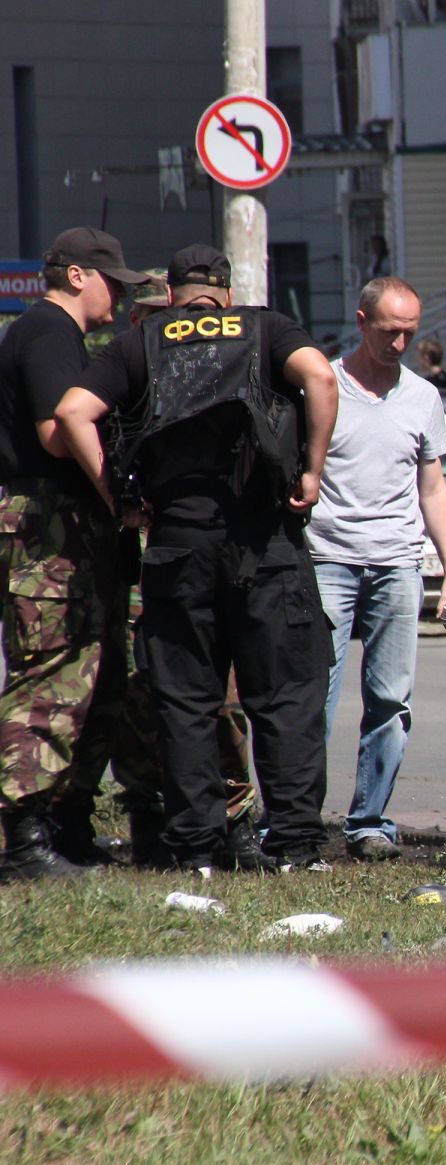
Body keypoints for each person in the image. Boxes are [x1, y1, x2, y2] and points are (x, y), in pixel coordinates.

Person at [54, 244, 339, 873]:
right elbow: (320, 376)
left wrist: (118, 496)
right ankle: (294, 845)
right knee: (285, 696)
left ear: (176, 292)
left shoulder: (141, 344)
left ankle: (198, 849)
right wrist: (312, 471)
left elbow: (74, 413)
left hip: (178, 544)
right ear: (226, 294)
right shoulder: (266, 328)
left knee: (186, 701)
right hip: (266, 539)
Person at [0, 227, 149, 878]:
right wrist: (119, 486)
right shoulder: (48, 332)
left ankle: (62, 826)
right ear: (79, 277)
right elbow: (58, 431)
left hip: (68, 524)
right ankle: (21, 841)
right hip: (49, 525)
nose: (120, 294)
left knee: (96, 674)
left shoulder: (56, 334)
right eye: (114, 280)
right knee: (51, 677)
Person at [309, 276, 446, 860]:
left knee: (390, 701)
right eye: (389, 331)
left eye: (410, 333)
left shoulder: (423, 397)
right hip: (327, 559)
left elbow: (433, 488)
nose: (400, 343)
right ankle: (294, 822)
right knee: (311, 699)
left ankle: (369, 821)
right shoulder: (322, 384)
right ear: (361, 321)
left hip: (398, 563)